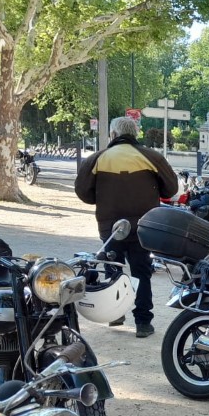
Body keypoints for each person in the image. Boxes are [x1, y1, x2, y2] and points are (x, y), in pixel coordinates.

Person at [74, 117, 177, 338]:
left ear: (113, 134)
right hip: (144, 225)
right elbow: (170, 189)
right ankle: (143, 323)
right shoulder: (152, 157)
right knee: (142, 272)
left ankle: (116, 314)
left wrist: (103, 197)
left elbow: (83, 192)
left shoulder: (97, 159)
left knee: (113, 269)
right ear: (135, 133)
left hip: (110, 225)